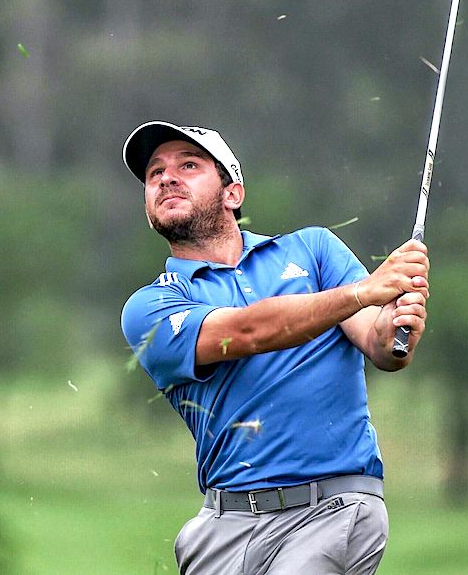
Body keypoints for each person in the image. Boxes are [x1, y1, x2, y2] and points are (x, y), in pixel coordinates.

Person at [120, 121, 430, 574]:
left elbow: (381, 344)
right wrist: (364, 292)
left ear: (233, 194)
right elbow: (244, 334)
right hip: (223, 525)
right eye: (154, 173)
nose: (167, 177)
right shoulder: (150, 307)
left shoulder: (314, 250)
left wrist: (400, 317)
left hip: (333, 507)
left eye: (189, 165)